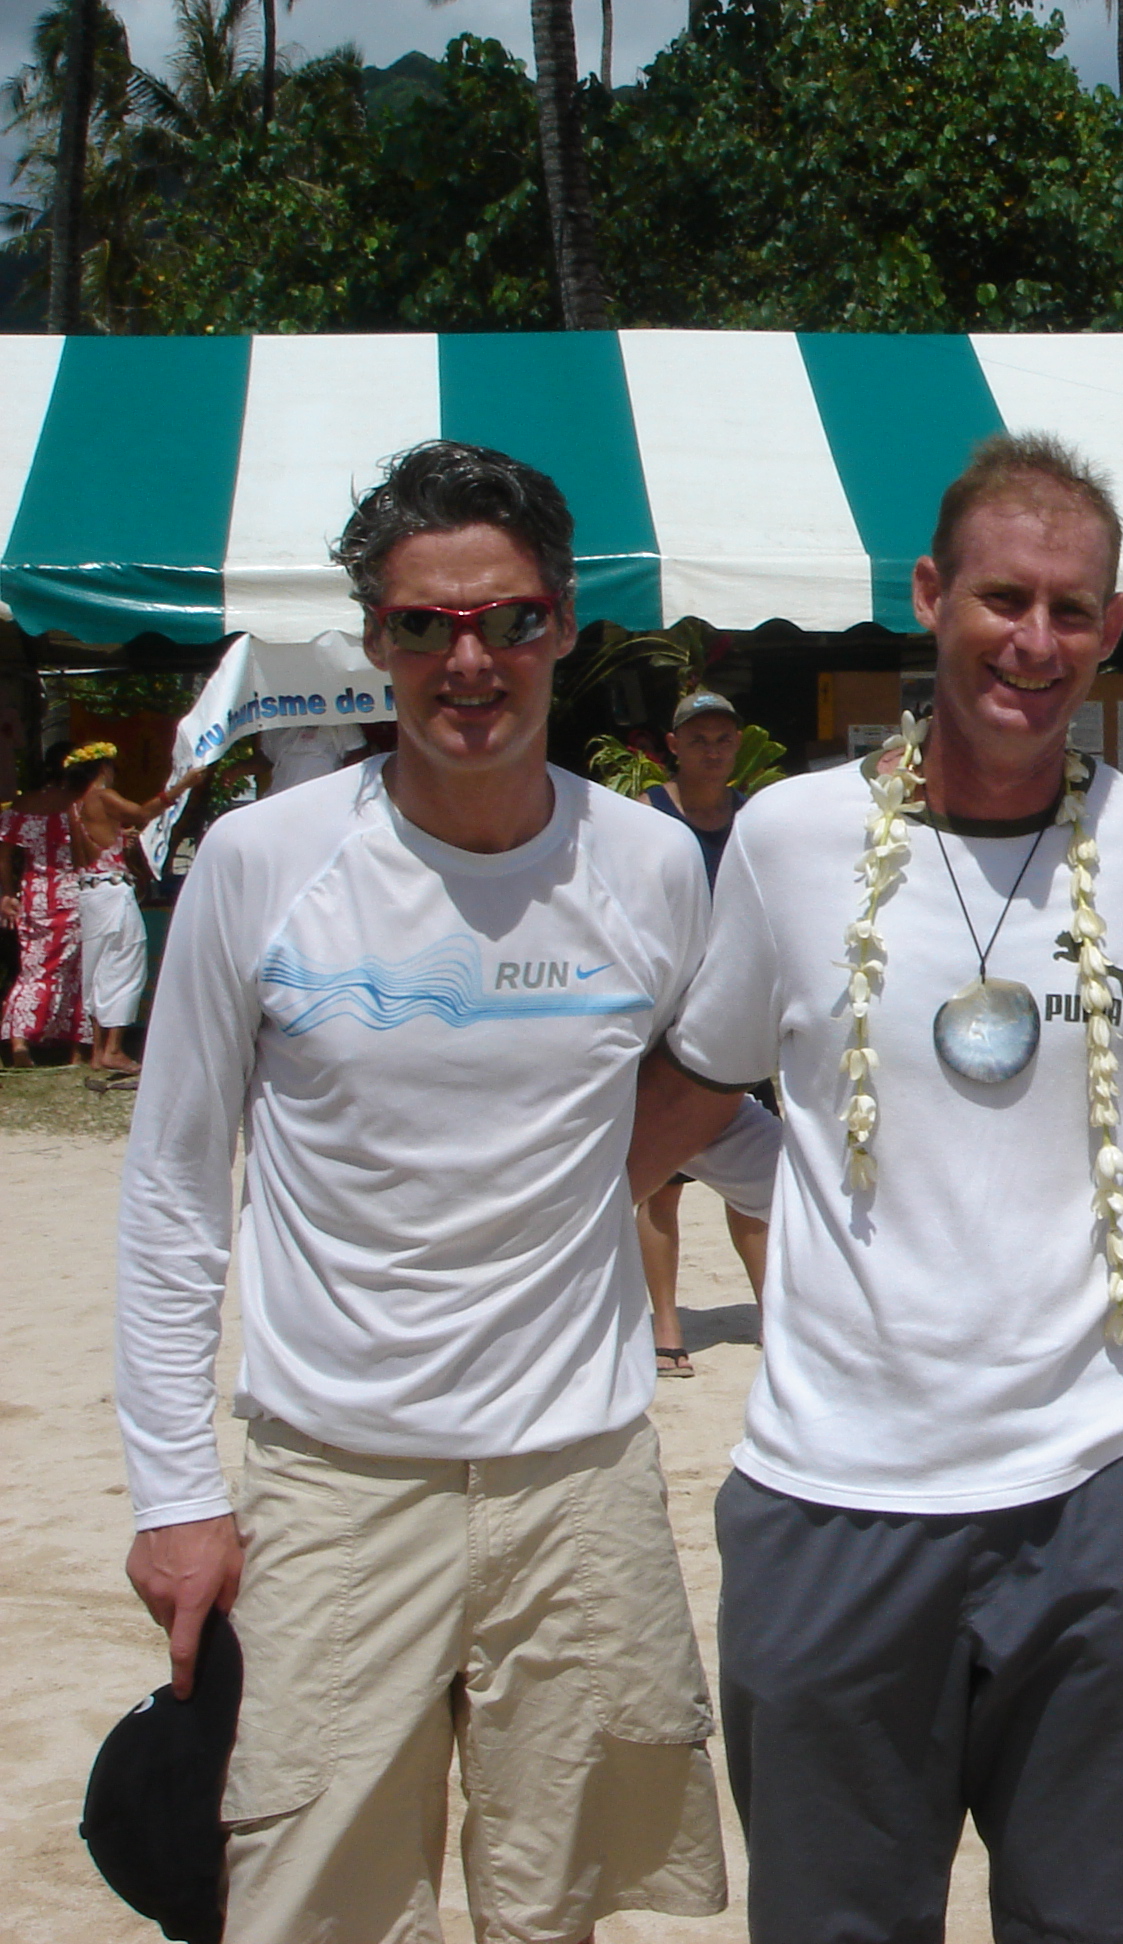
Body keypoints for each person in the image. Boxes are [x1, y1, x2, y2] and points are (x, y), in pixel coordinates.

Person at [116, 440, 765, 1944]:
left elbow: (702, 1120)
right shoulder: (265, 864)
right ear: (376, 641)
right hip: (334, 1482)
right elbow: (171, 1194)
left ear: (564, 629)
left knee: (557, 1910)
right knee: (309, 1906)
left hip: (578, 1476)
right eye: (426, 626)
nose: (470, 661)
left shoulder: (655, 866)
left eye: (509, 619)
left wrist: (898, 1194)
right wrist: (174, 1495)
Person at [629, 430, 1123, 1944]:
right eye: (1001, 597)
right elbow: (693, 1098)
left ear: (1112, 628)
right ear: (929, 596)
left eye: (1072, 609)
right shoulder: (790, 838)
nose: (1033, 642)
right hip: (834, 1497)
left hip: (1112, 1493)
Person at [636, 687, 770, 1375]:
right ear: (674, 744)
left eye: (724, 738)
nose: (713, 750)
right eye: (699, 738)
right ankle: (666, 1321)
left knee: (757, 1183)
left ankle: (771, 1312)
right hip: (672, 1017)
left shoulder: (757, 819)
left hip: (749, 1017)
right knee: (662, 1182)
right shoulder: (648, 818)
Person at [66, 740, 209, 1079]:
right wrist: (183, 785)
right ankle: (113, 1049)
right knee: (124, 965)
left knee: (99, 969)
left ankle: (99, 1051)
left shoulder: (74, 806)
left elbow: (93, 848)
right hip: (112, 892)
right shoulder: (102, 796)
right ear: (103, 768)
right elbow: (144, 813)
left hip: (89, 892)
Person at [1, 740, 88, 1064]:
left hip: (35, 893)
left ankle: (20, 1044)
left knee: (32, 970)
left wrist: (6, 893)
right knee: (74, 972)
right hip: (74, 892)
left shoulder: (24, 804)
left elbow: (4, 854)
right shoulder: (80, 804)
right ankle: (75, 1048)